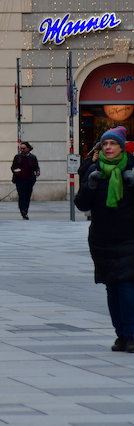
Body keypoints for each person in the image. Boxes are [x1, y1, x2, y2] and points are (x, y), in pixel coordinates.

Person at [74, 126, 134, 352]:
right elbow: (81, 204)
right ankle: (120, 335)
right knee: (112, 288)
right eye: (105, 144)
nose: (108, 148)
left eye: (113, 144)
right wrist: (90, 185)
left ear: (121, 147)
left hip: (130, 237)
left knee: (127, 286)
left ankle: (131, 334)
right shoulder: (92, 168)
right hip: (102, 239)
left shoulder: (132, 167)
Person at [12, 141, 40, 219]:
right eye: (21, 148)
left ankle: (25, 211)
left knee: (27, 195)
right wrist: (15, 171)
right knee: (21, 195)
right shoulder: (17, 157)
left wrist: (37, 172)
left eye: (24, 148)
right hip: (19, 179)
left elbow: (36, 167)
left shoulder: (33, 157)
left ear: (28, 149)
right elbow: (13, 167)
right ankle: (22, 210)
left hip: (29, 179)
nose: (22, 150)